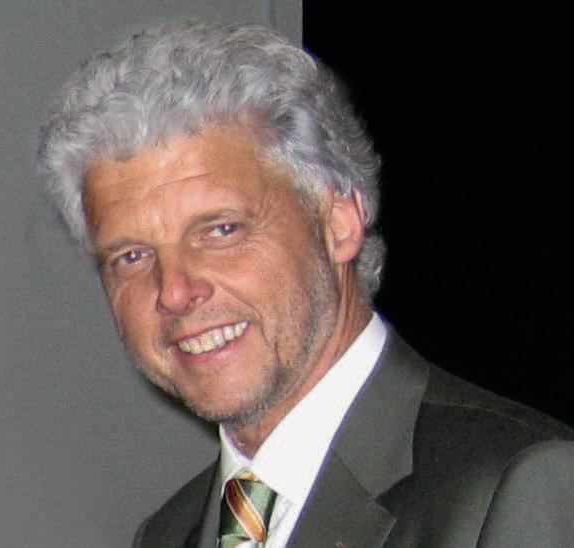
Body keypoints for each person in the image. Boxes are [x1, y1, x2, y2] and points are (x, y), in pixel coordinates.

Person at [38, 20, 574, 548]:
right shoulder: (168, 533)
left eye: (221, 231)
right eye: (131, 257)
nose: (175, 291)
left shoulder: (515, 486)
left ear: (338, 223)